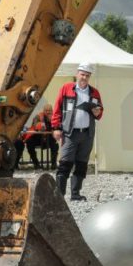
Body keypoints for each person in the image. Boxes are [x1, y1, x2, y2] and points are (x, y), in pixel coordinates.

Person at [51, 63, 103, 201]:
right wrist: (56, 127)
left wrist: (97, 111)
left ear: (90, 76)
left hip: (87, 133)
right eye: (82, 74)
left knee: (81, 164)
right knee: (65, 163)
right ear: (77, 74)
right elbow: (57, 108)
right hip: (70, 132)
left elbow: (99, 113)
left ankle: (75, 194)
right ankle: (59, 196)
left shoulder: (94, 92)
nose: (84, 77)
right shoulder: (66, 88)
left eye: (87, 75)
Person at [17, 103, 57, 170]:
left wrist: (52, 122)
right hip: (38, 137)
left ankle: (53, 164)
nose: (48, 112)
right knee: (29, 143)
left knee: (55, 146)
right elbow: (36, 125)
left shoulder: (55, 118)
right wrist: (42, 125)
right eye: (46, 110)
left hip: (49, 138)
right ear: (43, 111)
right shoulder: (38, 116)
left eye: (50, 110)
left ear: (52, 111)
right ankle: (36, 164)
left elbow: (57, 128)